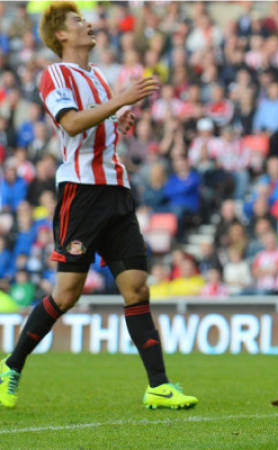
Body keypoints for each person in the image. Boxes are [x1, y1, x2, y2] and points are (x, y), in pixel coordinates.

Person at [0, 3, 197, 410]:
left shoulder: (97, 79)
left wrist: (117, 124)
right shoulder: (55, 74)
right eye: (77, 21)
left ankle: (158, 385)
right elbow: (71, 123)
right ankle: (11, 366)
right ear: (61, 36)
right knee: (67, 292)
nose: (87, 24)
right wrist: (120, 100)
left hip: (117, 190)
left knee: (136, 286)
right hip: (82, 192)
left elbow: (94, 127)